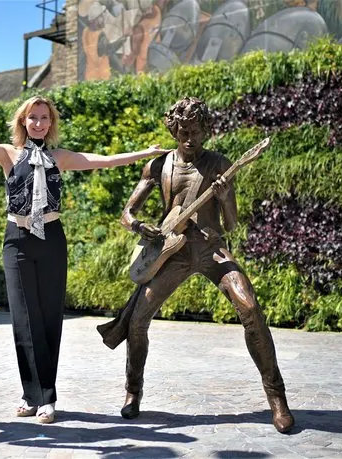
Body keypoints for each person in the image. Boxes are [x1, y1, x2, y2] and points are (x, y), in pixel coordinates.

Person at [0, 95, 166, 424]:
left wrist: (144, 154)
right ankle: (29, 394)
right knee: (23, 319)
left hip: (51, 241)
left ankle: (46, 398)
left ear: (51, 123)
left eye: (45, 117)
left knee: (48, 320)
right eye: (33, 117)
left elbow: (101, 160)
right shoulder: (8, 154)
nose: (39, 123)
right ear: (23, 121)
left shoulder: (58, 157)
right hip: (16, 241)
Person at [96, 96, 295, 433]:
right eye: (183, 131)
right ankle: (133, 391)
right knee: (137, 319)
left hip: (212, 250)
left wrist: (224, 196)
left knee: (250, 308)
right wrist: (140, 226)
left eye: (196, 132)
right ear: (174, 129)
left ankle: (277, 398)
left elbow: (231, 224)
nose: (190, 138)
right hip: (172, 251)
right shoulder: (158, 166)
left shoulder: (219, 163)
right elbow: (126, 213)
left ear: (207, 130)